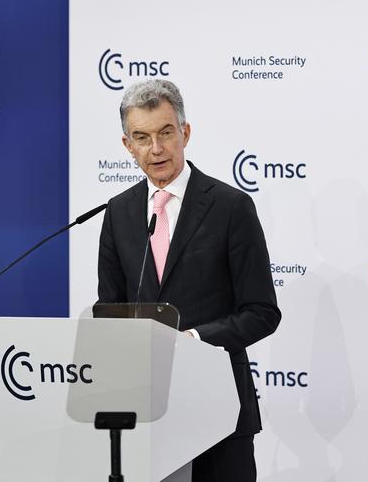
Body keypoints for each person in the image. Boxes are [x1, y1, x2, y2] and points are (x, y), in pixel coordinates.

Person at [97, 79, 281, 482]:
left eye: (166, 133)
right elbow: (109, 312)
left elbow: (262, 312)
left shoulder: (231, 207)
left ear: (186, 132)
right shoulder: (118, 212)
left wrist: (194, 340)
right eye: (142, 138)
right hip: (146, 414)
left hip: (220, 412)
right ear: (128, 145)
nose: (156, 149)